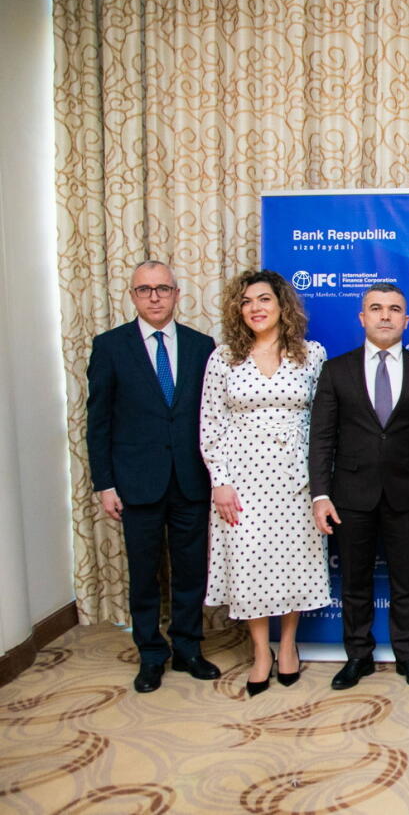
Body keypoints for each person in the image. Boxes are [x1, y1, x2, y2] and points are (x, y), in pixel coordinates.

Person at [86, 260, 221, 693]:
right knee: (144, 575)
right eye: (145, 290)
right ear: (133, 296)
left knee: (191, 571)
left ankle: (188, 648)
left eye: (163, 288)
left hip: (191, 481)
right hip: (136, 483)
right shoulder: (110, 346)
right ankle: (150, 655)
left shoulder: (202, 346)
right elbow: (98, 422)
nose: (155, 297)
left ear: (177, 294)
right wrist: (105, 484)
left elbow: (213, 416)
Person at [309, 283, 409, 690]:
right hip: (351, 495)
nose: (385, 316)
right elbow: (322, 438)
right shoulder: (336, 371)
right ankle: (358, 656)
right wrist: (320, 494)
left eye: (393, 309)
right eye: (376, 308)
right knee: (354, 583)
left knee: (407, 582)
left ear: (406, 320)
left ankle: (408, 656)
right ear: (362, 317)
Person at [200, 269, 329, 696]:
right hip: (241, 483)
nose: (255, 308)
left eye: (264, 299)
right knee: (249, 565)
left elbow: (323, 423)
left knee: (293, 562)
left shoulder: (311, 354)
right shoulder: (224, 358)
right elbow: (211, 423)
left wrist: (320, 483)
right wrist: (220, 481)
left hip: (296, 480)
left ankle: (287, 645)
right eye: (246, 302)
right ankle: (260, 651)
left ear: (282, 305)